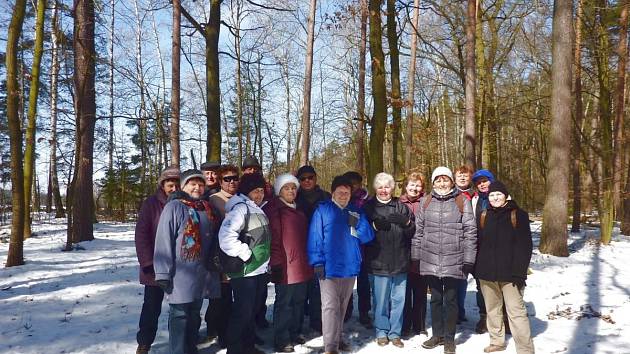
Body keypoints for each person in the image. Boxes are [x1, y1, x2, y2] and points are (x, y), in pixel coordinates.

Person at [412, 167, 477, 354]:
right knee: (435, 299)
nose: (442, 183)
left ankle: (449, 339)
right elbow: (418, 231)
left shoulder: (462, 201)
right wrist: (416, 256)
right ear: (433, 183)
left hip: (454, 258)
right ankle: (437, 335)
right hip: (430, 258)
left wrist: (468, 260)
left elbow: (470, 232)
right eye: (438, 180)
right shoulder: (426, 201)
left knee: (450, 300)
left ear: (451, 181)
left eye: (445, 180)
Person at [307, 175, 374, 354]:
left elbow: (368, 236)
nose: (343, 195)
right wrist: (317, 262)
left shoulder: (355, 211)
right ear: (333, 193)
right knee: (329, 307)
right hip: (329, 267)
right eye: (340, 192)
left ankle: (337, 338)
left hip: (350, 267)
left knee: (342, 306)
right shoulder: (323, 210)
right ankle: (330, 347)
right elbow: (315, 238)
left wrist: (358, 224)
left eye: (347, 193)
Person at [154, 169, 218, 354]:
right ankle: (178, 350)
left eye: (200, 184)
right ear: (183, 186)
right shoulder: (174, 207)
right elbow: (163, 241)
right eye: (192, 184)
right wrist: (163, 272)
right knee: (180, 315)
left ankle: (191, 348)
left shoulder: (204, 207)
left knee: (194, 313)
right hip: (180, 273)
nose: (197, 187)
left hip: (201, 272)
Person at [475, 181, 534, 354]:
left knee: (516, 312)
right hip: (487, 273)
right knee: (492, 310)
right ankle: (497, 341)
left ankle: (525, 348)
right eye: (492, 195)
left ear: (506, 195)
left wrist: (519, 273)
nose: (495, 197)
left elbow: (526, 246)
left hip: (511, 275)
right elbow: (479, 244)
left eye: (498, 194)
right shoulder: (484, 215)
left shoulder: (518, 215)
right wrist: (477, 268)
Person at [218, 173, 271, 354]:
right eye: (255, 191)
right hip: (245, 271)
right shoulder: (240, 208)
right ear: (247, 191)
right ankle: (234, 349)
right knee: (242, 313)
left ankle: (248, 348)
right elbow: (226, 237)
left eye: (261, 191)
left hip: (258, 270)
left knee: (251, 312)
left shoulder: (257, 208)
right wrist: (244, 253)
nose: (259, 194)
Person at [263, 173, 314, 353]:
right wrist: (275, 263)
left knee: (299, 301)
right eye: (287, 188)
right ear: (279, 191)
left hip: (302, 264)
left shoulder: (299, 209)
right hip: (285, 266)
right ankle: (282, 338)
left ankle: (294, 332)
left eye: (293, 188)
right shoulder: (275, 209)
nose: (291, 191)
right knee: (285, 303)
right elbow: (274, 238)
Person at [363, 172, 414, 348]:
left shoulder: (401, 207)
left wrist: (407, 223)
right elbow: (361, 233)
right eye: (380, 187)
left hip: (400, 260)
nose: (384, 190)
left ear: (392, 188)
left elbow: (412, 234)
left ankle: (395, 333)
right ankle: (381, 331)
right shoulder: (368, 208)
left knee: (399, 300)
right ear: (375, 189)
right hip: (378, 261)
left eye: (387, 186)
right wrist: (374, 225)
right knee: (381, 300)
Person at [134, 166, 180, 354]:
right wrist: (146, 262)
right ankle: (144, 342)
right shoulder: (152, 204)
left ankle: (179, 341)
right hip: (155, 266)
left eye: (177, 184)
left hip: (180, 267)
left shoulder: (185, 202)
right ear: (163, 185)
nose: (174, 188)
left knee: (179, 308)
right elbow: (142, 234)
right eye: (170, 185)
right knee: (151, 307)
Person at [203, 164, 240, 347]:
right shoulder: (214, 200)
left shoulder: (241, 199)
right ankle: (218, 331)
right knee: (221, 298)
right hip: (221, 256)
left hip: (240, 255)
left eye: (234, 178)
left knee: (238, 298)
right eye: (227, 179)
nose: (231, 182)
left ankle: (235, 332)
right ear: (220, 181)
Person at [295, 165, 331, 333]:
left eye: (310, 177)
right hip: (299, 247)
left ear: (316, 178)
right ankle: (298, 322)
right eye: (303, 178)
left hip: (321, 248)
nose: (307, 181)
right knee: (300, 289)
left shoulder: (326, 197)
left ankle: (317, 321)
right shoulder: (293, 197)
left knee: (318, 286)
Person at [341, 171, 372, 327]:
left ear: (361, 184)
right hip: (347, 249)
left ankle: (364, 312)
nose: (353, 187)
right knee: (347, 282)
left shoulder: (367, 201)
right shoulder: (342, 200)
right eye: (350, 184)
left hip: (365, 249)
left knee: (364, 284)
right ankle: (346, 310)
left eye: (356, 183)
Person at [400, 171, 428, 338]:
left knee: (420, 292)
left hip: (423, 253)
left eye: (418, 185)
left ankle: (420, 325)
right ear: (406, 186)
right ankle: (405, 325)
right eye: (412, 184)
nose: (415, 188)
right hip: (403, 252)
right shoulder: (398, 203)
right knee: (404, 292)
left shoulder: (427, 202)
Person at [472, 169, 495, 334]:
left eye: (484, 181)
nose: (482, 184)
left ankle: (501, 317)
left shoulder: (501, 198)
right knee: (481, 284)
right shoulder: (474, 201)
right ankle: (484, 316)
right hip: (479, 248)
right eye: (479, 182)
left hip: (497, 249)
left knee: (500, 284)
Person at [454, 165, 475, 324]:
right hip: (457, 243)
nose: (462, 178)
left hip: (477, 241)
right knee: (458, 280)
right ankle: (456, 311)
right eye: (459, 176)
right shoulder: (450, 194)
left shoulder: (476, 196)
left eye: (465, 176)